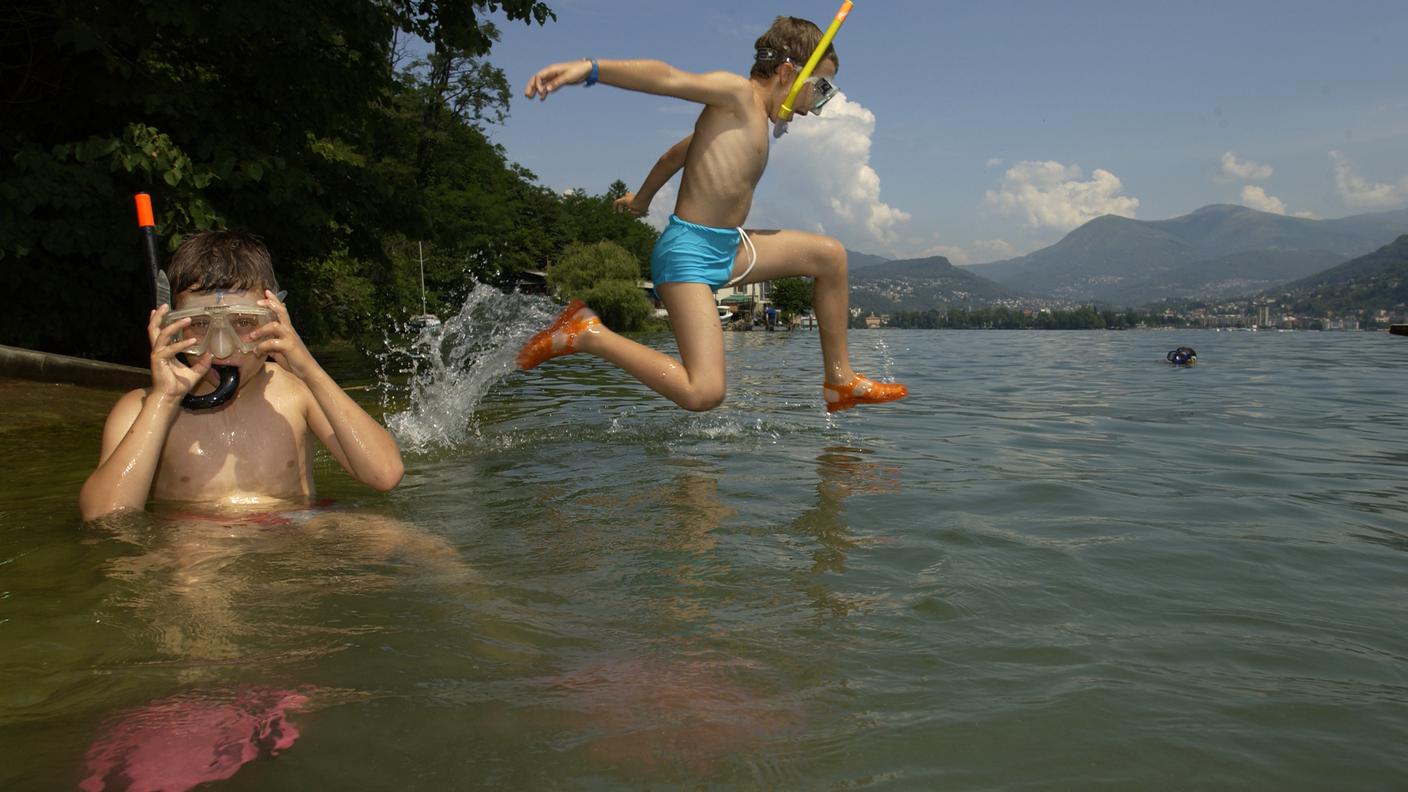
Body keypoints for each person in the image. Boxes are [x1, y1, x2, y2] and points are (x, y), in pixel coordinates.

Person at [518, 15, 908, 414]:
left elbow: (674, 156)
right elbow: (667, 77)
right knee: (704, 393)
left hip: (729, 247)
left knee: (830, 256)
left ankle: (840, 381)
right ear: (788, 72)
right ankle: (587, 332)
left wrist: (642, 201)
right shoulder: (737, 95)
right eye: (819, 88)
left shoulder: (742, 120)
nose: (818, 104)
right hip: (687, 254)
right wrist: (591, 69)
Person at [79, 231, 404, 521]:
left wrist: (307, 368)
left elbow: (385, 475)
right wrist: (164, 400)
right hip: (199, 552)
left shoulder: (296, 392)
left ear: (274, 320)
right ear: (170, 328)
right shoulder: (142, 409)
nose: (222, 348)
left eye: (244, 322)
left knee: (413, 544)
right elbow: (105, 517)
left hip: (295, 534)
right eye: (201, 324)